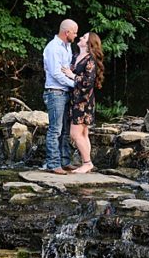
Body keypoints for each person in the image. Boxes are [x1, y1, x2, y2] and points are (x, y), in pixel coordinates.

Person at [61, 31, 104, 174]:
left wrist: (72, 75)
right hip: (75, 100)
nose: (80, 37)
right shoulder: (75, 56)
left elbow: (87, 82)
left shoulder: (90, 59)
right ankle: (86, 162)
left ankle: (87, 163)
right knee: (84, 133)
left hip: (84, 101)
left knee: (76, 134)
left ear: (89, 43)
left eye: (84, 37)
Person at [42, 19, 78, 174]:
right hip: (55, 92)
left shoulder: (67, 47)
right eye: (75, 32)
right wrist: (75, 84)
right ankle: (53, 164)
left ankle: (65, 161)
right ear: (67, 32)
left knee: (65, 130)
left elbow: (66, 69)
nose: (76, 35)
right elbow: (57, 73)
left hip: (65, 92)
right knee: (55, 130)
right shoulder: (53, 48)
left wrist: (71, 76)